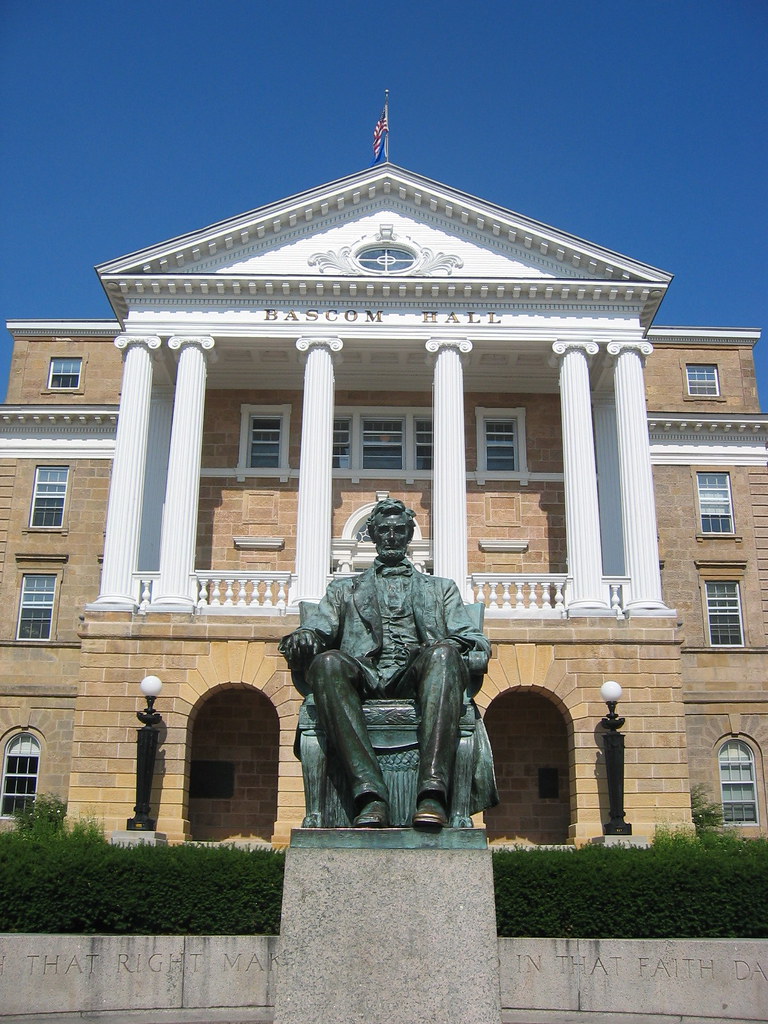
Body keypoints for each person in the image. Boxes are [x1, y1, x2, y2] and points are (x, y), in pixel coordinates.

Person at [279, 498, 492, 829]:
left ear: (409, 535)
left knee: (443, 655)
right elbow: (318, 629)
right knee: (328, 663)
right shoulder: (343, 589)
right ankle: (369, 795)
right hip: (363, 676)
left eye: (399, 530)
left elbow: (474, 640)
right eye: (383, 531)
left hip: (419, 675)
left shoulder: (441, 589)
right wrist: (304, 636)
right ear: (373, 535)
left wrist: (443, 646)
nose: (391, 537)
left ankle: (432, 794)